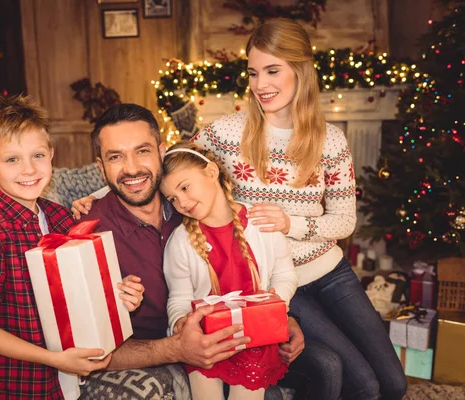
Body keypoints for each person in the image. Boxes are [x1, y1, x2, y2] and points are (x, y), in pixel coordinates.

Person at [190, 18, 407, 399]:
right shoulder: (226, 133)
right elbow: (174, 163)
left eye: (273, 70)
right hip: (283, 284)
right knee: (366, 386)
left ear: (301, 71)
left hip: (333, 273)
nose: (261, 84)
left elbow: (344, 221)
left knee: (395, 383)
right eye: (254, 73)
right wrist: (101, 194)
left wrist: (291, 223)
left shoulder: (331, 141)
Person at [74, 103, 309, 400]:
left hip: (247, 335)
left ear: (161, 153)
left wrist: (283, 317)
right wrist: (176, 345)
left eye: (142, 151)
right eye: (116, 157)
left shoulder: (187, 205)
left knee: (328, 367)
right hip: (163, 351)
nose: (132, 167)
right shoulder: (87, 232)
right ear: (101, 167)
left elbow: (267, 269)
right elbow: (86, 350)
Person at [0, 94, 144, 400]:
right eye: (12, 159)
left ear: (51, 155)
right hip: (20, 384)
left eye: (37, 156)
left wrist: (121, 297)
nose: (28, 169)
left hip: (67, 379)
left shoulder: (59, 217)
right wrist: (54, 360)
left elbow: (78, 290)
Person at [161, 142, 298, 400]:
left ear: (211, 172)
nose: (182, 202)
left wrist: (275, 304)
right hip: (207, 339)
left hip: (254, 338)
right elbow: (178, 297)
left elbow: (285, 273)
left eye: (185, 187)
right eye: (173, 198)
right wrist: (179, 321)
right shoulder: (180, 242)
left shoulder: (261, 225)